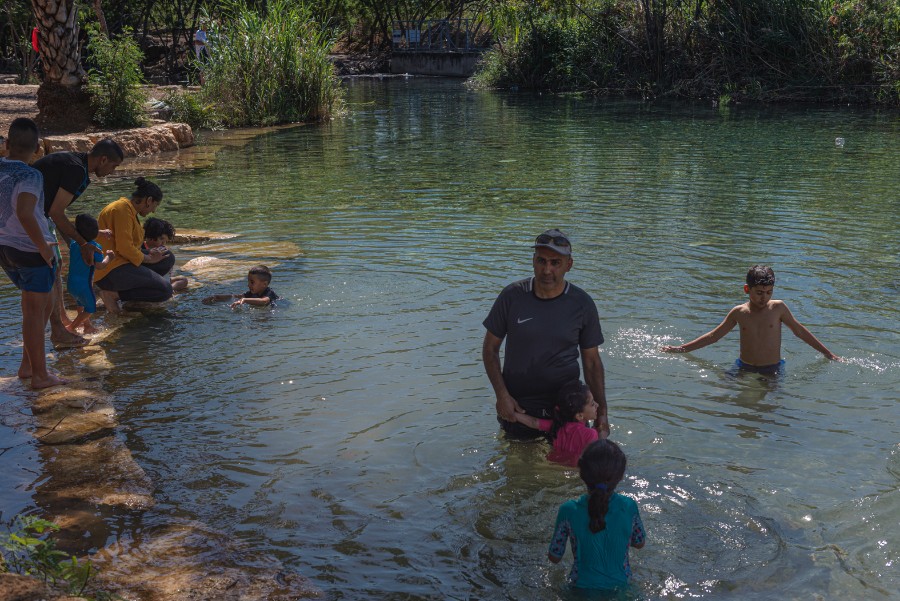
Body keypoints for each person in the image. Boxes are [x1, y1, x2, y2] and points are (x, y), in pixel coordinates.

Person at [482, 229, 608, 439]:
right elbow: (489, 349)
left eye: (555, 263)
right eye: (541, 261)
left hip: (568, 409)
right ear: (533, 261)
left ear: (569, 265)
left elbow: (592, 362)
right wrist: (502, 396)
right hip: (518, 407)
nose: (547, 270)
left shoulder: (582, 304)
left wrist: (602, 414)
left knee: (569, 467)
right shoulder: (512, 296)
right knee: (518, 468)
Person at [661, 265, 839, 373]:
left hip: (772, 369)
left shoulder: (779, 308)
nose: (764, 297)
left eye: (769, 292)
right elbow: (713, 336)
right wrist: (682, 349)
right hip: (743, 367)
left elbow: (800, 331)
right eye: (759, 293)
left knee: (769, 407)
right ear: (747, 290)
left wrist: (828, 353)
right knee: (724, 396)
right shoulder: (739, 312)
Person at [33, 139, 124, 346]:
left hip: (39, 216)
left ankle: (62, 320)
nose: (112, 170)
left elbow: (55, 212)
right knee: (50, 271)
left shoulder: (78, 163)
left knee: (57, 268)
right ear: (103, 159)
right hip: (32, 217)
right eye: (113, 165)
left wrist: (77, 245)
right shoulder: (76, 170)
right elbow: (56, 212)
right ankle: (58, 331)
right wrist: (83, 244)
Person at [0, 118, 64, 388]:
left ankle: (28, 366)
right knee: (34, 312)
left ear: (6, 145)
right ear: (38, 148)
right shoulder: (31, 175)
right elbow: (26, 213)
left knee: (45, 302)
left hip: (5, 249)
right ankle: (40, 376)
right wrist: (41, 245)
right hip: (29, 249)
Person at [548, 439, 646, 591]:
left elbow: (555, 556)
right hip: (621, 589)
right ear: (620, 476)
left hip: (579, 590)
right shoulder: (629, 507)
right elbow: (639, 543)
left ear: (581, 473)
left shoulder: (568, 510)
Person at [94, 177, 173, 312]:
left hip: (124, 263)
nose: (153, 211)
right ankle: (112, 295)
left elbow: (131, 247)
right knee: (165, 290)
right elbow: (124, 247)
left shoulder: (130, 211)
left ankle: (138, 291)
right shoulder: (121, 209)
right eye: (155, 205)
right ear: (148, 200)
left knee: (167, 256)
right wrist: (149, 258)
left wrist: (151, 255)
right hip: (110, 269)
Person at [513, 379, 600, 465]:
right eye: (592, 404)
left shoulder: (557, 426)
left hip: (552, 463)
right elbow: (589, 461)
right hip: (574, 469)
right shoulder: (591, 434)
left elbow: (533, 422)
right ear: (579, 416)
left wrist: (512, 414)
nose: (597, 405)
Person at [65, 214, 113, 334]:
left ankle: (87, 326)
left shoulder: (74, 243)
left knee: (80, 303)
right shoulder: (95, 247)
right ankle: (71, 327)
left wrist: (100, 232)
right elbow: (100, 265)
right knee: (91, 308)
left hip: (71, 284)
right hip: (84, 285)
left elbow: (81, 232)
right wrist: (109, 257)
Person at [143, 217, 188, 292]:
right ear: (150, 236)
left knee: (183, 280)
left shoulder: (163, 250)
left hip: (163, 278)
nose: (163, 243)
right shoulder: (141, 248)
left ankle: (169, 289)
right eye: (161, 239)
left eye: (165, 241)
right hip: (150, 277)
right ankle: (165, 289)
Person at [202, 265, 278, 309]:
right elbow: (235, 296)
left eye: (252, 282)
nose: (248, 285)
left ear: (264, 284)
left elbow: (264, 301)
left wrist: (245, 300)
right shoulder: (251, 293)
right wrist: (217, 297)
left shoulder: (269, 292)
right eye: (248, 281)